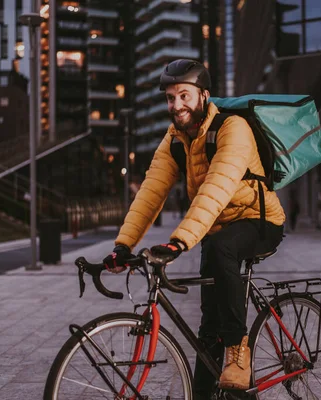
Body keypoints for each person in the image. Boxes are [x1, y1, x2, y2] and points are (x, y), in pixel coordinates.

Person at [103, 59, 285, 398]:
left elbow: (216, 187)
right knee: (207, 329)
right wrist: (123, 245)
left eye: (184, 96)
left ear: (204, 95)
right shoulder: (175, 139)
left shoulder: (232, 128)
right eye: (171, 98)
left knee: (220, 250)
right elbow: (150, 192)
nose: (177, 105)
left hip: (259, 221)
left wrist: (179, 242)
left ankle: (237, 349)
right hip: (216, 230)